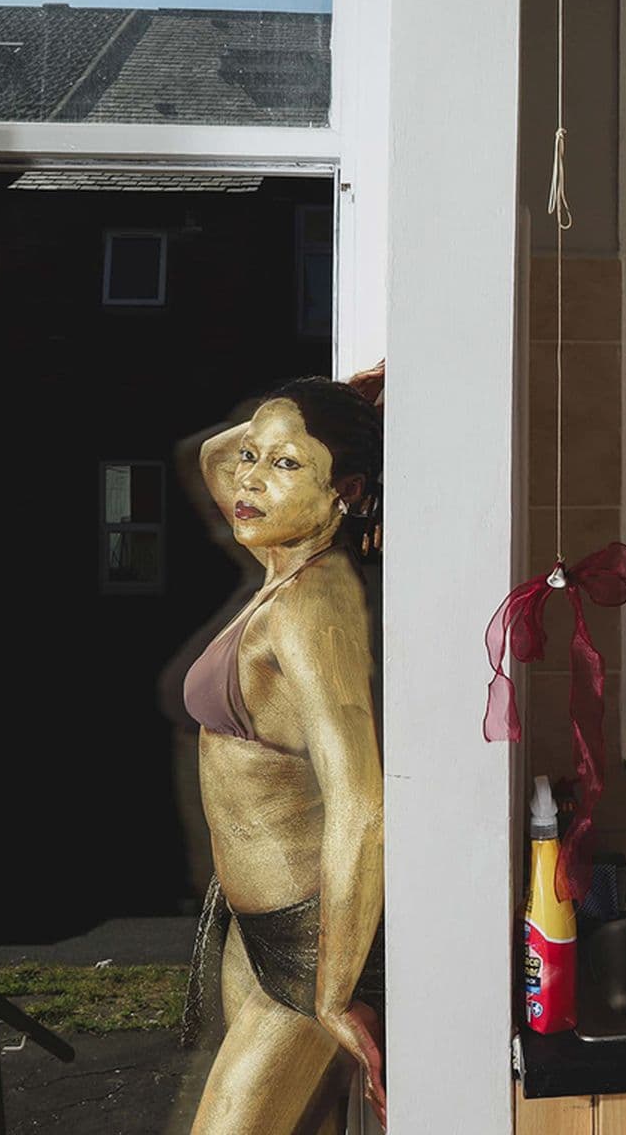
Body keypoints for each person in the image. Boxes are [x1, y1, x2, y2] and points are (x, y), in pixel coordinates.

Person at [184, 372, 389, 1133]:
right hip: (256, 927)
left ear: (347, 490)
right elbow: (215, 455)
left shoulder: (313, 607)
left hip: (307, 946)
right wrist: (322, 402)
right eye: (254, 458)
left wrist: (333, 992)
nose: (247, 477)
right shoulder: (283, 571)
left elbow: (363, 806)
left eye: (285, 465)